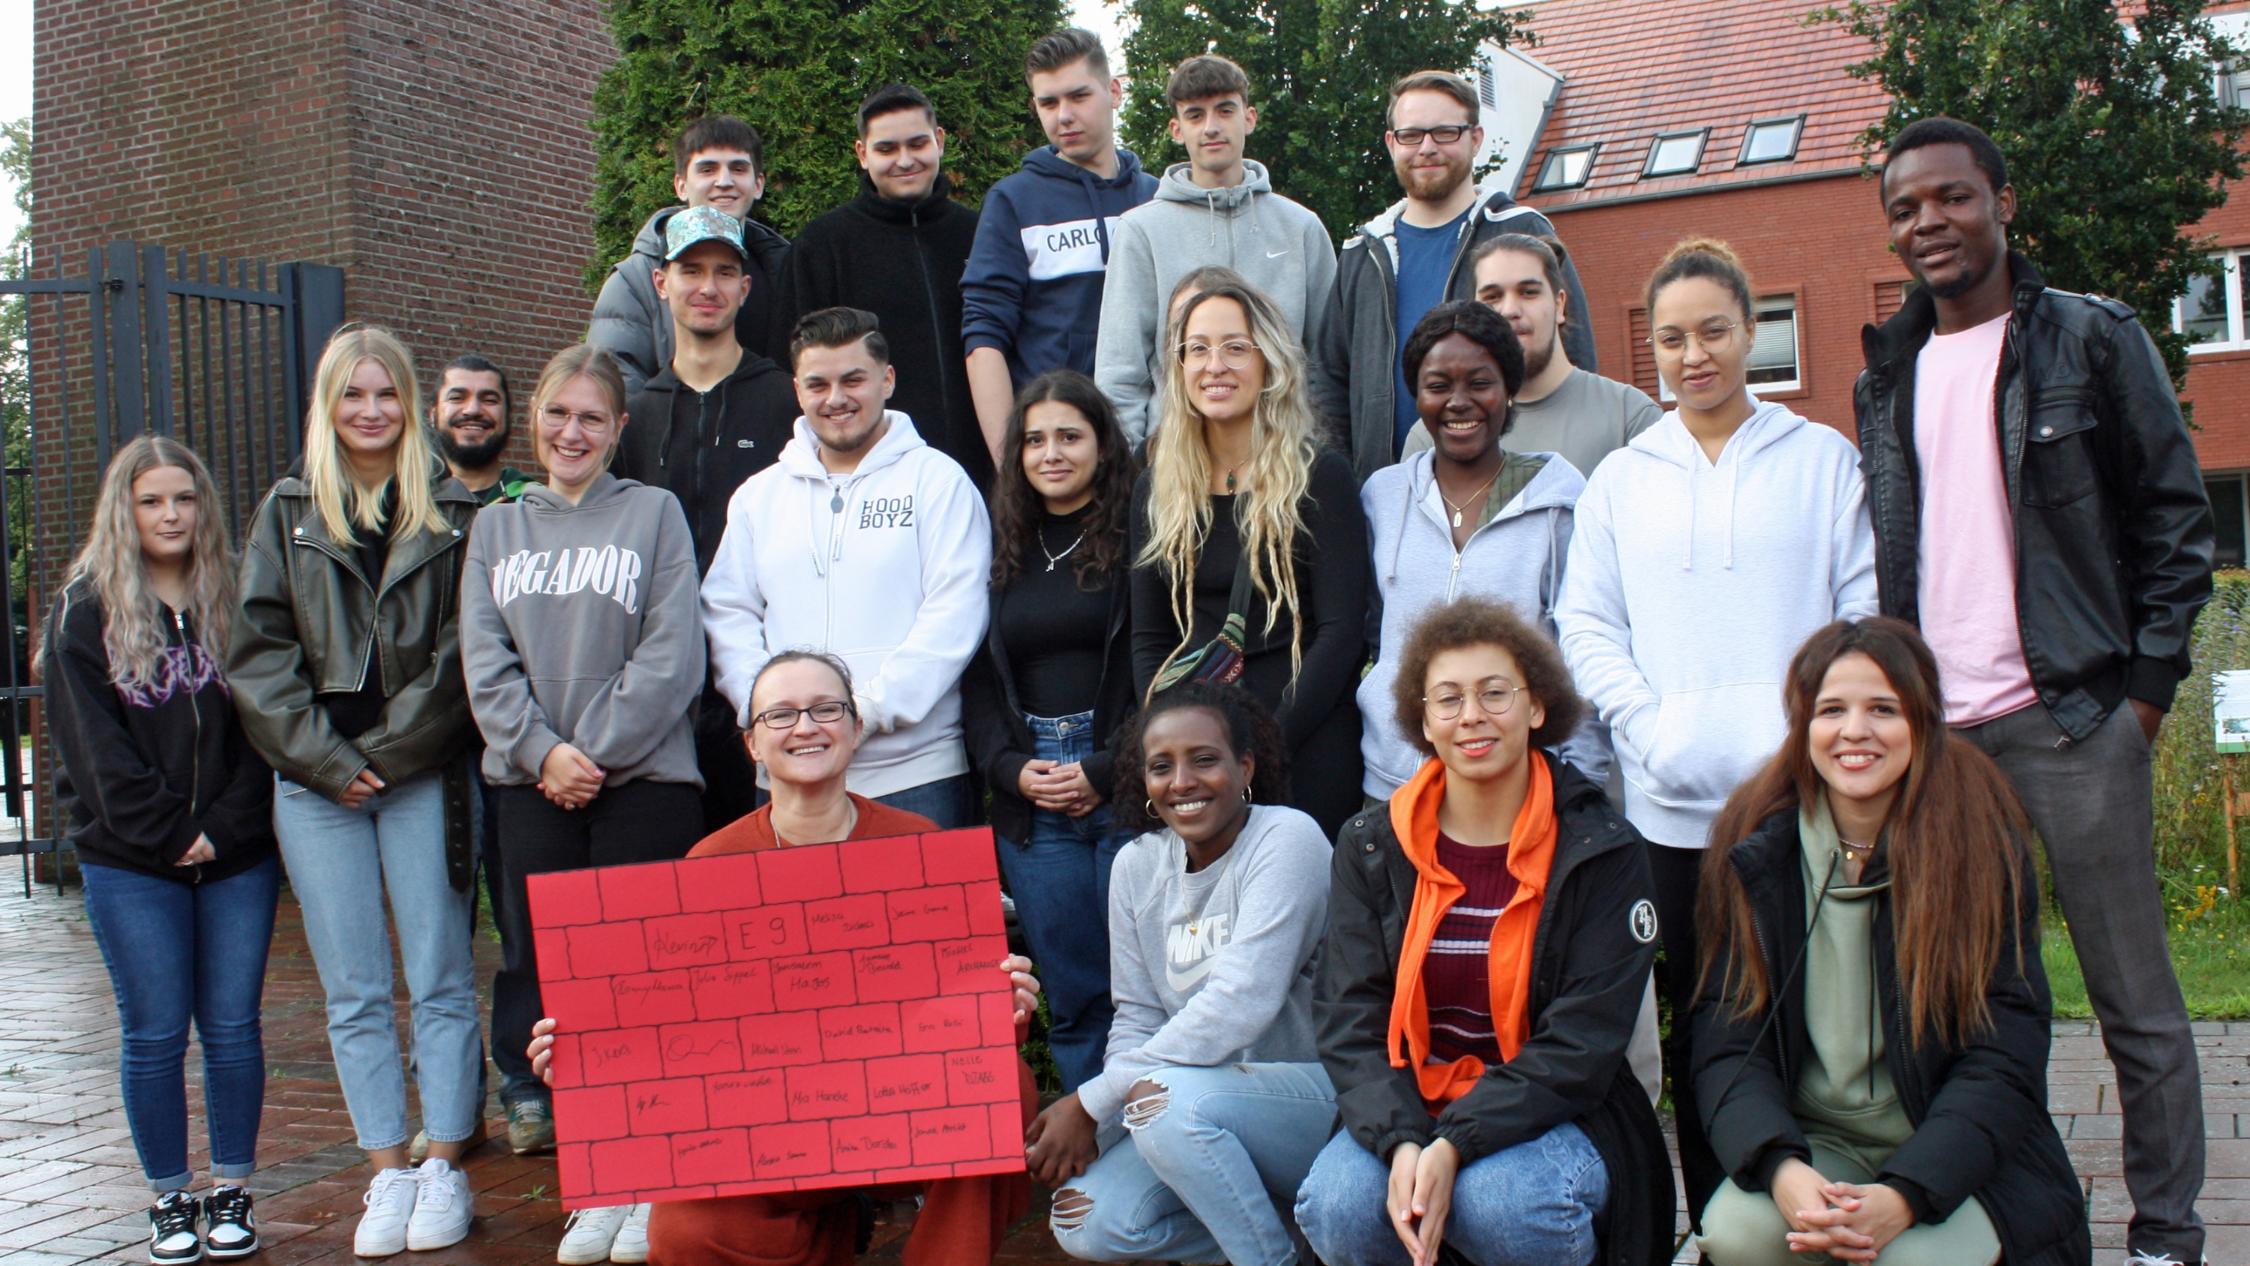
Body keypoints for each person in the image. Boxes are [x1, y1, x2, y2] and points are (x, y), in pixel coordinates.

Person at [1854, 117, 2212, 1266]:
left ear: (2003, 203)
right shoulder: (1886, 374)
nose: (1930, 223)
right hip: (1940, 743)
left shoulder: (2091, 339)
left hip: (2074, 722)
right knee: (1963, 1009)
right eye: (1906, 209)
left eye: (1951, 197)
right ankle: (2015, 1225)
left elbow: (2175, 521)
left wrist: (2142, 698)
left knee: (2134, 1004)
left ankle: (2166, 1239)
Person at [526, 649, 1046, 1266]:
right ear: (751, 743)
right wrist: (588, 1061)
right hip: (766, 1126)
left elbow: (965, 1021)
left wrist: (1005, 1006)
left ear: (855, 728)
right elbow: (671, 1033)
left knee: (1005, 1087)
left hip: (895, 1106)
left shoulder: (920, 846)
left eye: (826, 709)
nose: (805, 727)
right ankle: (828, 1227)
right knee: (683, 1234)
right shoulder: (709, 866)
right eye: (780, 714)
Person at [1553, 238, 1877, 1228]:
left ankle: (1826, 1216)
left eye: (1713, 332)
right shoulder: (1621, 480)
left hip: (1802, 804)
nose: (1693, 356)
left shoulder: (1821, 461)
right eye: (1671, 339)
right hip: (1672, 815)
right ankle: (1721, 1227)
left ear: (1751, 331)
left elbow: (1862, 616)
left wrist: (1815, 739)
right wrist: (1649, 727)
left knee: (1821, 1023)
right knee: (1703, 1029)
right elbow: (1586, 625)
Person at [1691, 618, 2090, 1266]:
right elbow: (1725, 1036)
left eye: (1883, 709)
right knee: (1740, 1235)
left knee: (1909, 1261)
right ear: (1803, 725)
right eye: (1831, 710)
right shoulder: (1755, 843)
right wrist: (1779, 1169)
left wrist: (1907, 1194)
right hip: (1814, 1142)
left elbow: (2006, 1051)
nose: (1855, 730)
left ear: (1923, 721)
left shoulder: (1981, 843)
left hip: (1953, 1150)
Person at [1297, 598, 1672, 1266]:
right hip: (1411, 1097)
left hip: (1563, 1111)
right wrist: (1402, 1142)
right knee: (1341, 1204)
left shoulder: (1602, 847)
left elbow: (1583, 1041)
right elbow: (1350, 1013)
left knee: (1501, 1203)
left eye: (1495, 693)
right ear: (1424, 722)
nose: (1471, 714)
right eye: (1448, 699)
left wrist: (1455, 1143)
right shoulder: (1372, 845)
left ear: (1537, 707)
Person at [229, 325, 483, 1257]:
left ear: (409, 403)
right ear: (327, 406)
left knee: (441, 974)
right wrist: (330, 762)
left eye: (385, 394)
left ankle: (445, 1163)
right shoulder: (288, 510)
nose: (370, 411)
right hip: (314, 783)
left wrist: (387, 750)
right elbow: (257, 656)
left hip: (420, 771)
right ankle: (388, 1170)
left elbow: (464, 654)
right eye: (352, 394)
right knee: (354, 989)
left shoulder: (453, 510)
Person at [459, 344, 707, 1265]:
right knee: (560, 993)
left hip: (644, 785)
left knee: (644, 983)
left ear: (618, 428)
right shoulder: (496, 530)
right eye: (559, 414)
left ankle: (654, 1183)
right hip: (532, 789)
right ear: (536, 421)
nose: (573, 432)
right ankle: (600, 1182)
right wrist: (543, 754)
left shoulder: (654, 514)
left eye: (592, 417)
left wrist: (589, 752)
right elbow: (484, 662)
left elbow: (673, 653)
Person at [45, 436, 279, 1265]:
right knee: (153, 1032)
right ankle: (171, 1198)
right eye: (151, 501)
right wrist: (174, 833)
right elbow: (93, 752)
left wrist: (225, 826)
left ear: (203, 506)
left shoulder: (238, 598)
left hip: (238, 858)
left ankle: (232, 1190)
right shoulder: (83, 613)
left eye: (184, 498)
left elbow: (266, 730)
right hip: (131, 862)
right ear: (126, 510)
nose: (171, 514)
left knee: (233, 1027)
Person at [1028, 682, 1334, 1266]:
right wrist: (1104, 1121)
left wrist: (1092, 1104)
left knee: (1164, 1103)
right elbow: (1137, 1014)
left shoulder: (1286, 839)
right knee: (1085, 1221)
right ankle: (1283, 1232)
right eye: (1161, 766)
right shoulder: (1136, 865)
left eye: (1204, 759)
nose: (1182, 782)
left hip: (1309, 1102)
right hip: (1182, 1110)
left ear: (1245, 767)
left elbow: (1240, 1002)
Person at [703, 307, 991, 826]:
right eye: (818, 384)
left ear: (887, 380)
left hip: (914, 775)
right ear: (797, 390)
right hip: (789, 778)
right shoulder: (758, 497)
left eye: (853, 380)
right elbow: (727, 611)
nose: (836, 398)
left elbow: (956, 612)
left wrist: (865, 712)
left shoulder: (938, 482)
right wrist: (769, 710)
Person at [1129, 277, 1368, 839]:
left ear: (1269, 362)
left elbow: (1341, 635)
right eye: (1198, 349)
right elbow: (1150, 639)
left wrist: (1263, 749)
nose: (1215, 365)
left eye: (1235, 347)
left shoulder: (1320, 477)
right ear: (1179, 367)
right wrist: (1170, 739)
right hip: (1198, 762)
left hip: (1305, 745)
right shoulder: (1156, 489)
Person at [961, 370, 1138, 1093]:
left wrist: (1108, 766)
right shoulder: (999, 544)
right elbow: (975, 675)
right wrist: (1008, 769)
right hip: (1030, 791)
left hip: (1127, 781)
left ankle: (1153, 1138)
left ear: (1103, 445)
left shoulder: (1142, 538)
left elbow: (1161, 665)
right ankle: (1087, 1141)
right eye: (1034, 440)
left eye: (1069, 436)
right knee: (1073, 994)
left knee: (1144, 987)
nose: (1051, 453)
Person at [1315, 70, 1595, 481]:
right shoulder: (1362, 256)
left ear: (1475, 138)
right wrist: (1348, 486)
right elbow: (1328, 383)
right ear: (1392, 143)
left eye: (1445, 133)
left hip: (1509, 488)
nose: (1427, 147)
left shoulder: (1521, 231)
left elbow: (1574, 355)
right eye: (1411, 135)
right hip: (1388, 495)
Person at [617, 204, 797, 834]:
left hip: (761, 680)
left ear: (745, 288)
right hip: (658, 687)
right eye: (691, 271)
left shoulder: (785, 401)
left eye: (724, 272)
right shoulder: (634, 416)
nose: (708, 287)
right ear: (661, 283)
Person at [1092, 53, 1337, 447]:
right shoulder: (1140, 231)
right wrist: (1130, 467)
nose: (1211, 127)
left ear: (1249, 118)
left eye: (1225, 110)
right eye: (1195, 115)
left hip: (1285, 454)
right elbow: (1120, 373)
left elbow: (1327, 367)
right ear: (1176, 129)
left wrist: (1320, 453)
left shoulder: (1302, 227)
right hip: (1176, 458)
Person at [429, 349, 540, 1159]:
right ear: (435, 411)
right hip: (430, 746)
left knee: (521, 921)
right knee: (439, 931)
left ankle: (524, 1083)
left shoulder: (530, 504)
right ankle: (448, 1098)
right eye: (459, 397)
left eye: (490, 399)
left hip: (514, 742)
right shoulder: (407, 508)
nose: (474, 410)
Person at [962, 28, 1158, 469]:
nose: (1064, 116)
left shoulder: (1157, 198)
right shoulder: (1014, 201)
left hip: (1151, 451)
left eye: (1078, 96)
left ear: (1114, 92)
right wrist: (1011, 464)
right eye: (1048, 103)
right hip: (1057, 454)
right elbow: (984, 336)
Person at [777, 83, 989, 488]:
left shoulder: (980, 235)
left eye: (917, 144)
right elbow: (796, 366)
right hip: (866, 477)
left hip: (978, 467)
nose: (905, 160)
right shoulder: (823, 245)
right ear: (862, 154)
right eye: (887, 149)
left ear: (939, 141)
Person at [1402, 235, 1658, 475]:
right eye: (1492, 297)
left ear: (1559, 305)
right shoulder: (1432, 435)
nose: (1510, 310)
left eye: (1528, 292)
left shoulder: (1630, 416)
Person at [590, 115, 791, 395]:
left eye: (738, 169)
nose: (724, 181)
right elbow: (613, 387)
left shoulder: (787, 272)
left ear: (758, 184)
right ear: (681, 185)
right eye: (707, 169)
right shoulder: (634, 282)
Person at [432, 353, 533, 505]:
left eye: (489, 400)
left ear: (508, 415)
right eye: (456, 398)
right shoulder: (406, 504)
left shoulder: (536, 506)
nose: (473, 410)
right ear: (433, 415)